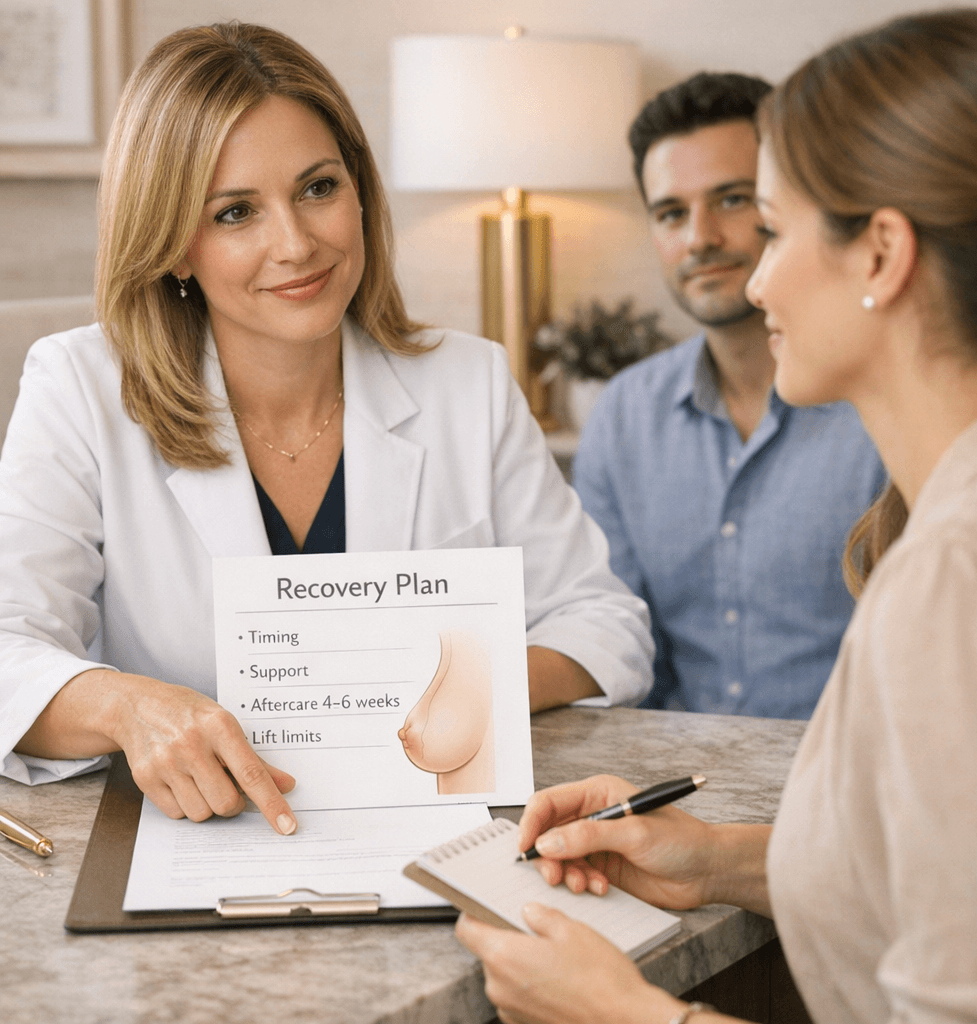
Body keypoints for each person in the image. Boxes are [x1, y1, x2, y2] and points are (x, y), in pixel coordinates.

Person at [457, 8, 977, 1022]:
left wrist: (621, 1012)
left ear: (881, 254)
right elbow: (963, 876)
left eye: (772, 223)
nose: (750, 272)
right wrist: (715, 860)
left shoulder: (957, 577)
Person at [0, 23, 654, 832]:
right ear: (173, 244)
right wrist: (125, 707)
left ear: (359, 191)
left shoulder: (468, 381)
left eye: (318, 188)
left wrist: (460, 691)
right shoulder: (80, 387)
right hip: (196, 841)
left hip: (433, 829)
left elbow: (604, 623)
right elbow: (7, 646)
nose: (297, 244)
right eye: (235, 212)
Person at [573, 72, 886, 718]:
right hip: (671, 792)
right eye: (671, 213)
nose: (700, 237)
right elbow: (617, 643)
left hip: (851, 788)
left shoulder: (881, 401)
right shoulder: (625, 415)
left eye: (733, 199)